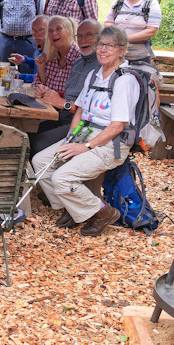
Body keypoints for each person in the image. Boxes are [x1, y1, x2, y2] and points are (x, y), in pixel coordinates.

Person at [32, 25, 139, 237]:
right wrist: (70, 139)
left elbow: (117, 125)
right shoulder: (94, 74)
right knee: (41, 162)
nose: (103, 50)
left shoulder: (125, 80)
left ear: (122, 50)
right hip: (84, 134)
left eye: (110, 46)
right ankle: (73, 209)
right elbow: (80, 110)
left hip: (109, 143)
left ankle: (103, 212)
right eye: (101, 45)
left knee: (62, 178)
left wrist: (85, 146)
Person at [29, 19, 102, 155]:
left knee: (37, 144)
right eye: (79, 36)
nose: (83, 39)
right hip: (62, 117)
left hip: (82, 125)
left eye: (89, 35)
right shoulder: (79, 62)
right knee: (26, 133)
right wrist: (51, 93)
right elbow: (71, 93)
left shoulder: (102, 65)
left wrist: (64, 103)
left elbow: (91, 108)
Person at [104, 0, 162, 64]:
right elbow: (107, 22)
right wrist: (114, 28)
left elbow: (152, 30)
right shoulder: (119, 2)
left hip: (140, 58)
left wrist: (125, 38)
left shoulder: (151, 3)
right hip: (118, 57)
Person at [33, 15, 82, 99]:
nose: (54, 33)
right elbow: (36, 86)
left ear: (69, 31)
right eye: (50, 31)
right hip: (48, 108)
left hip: (67, 110)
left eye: (59, 29)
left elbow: (77, 96)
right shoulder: (51, 57)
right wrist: (41, 68)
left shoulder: (79, 59)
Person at [10, 14, 50, 81]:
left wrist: (18, 76)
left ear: (49, 30)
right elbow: (38, 65)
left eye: (41, 30)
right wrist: (25, 60)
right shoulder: (40, 47)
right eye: (33, 30)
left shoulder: (51, 51)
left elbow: (40, 78)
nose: (36, 34)